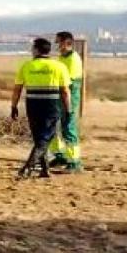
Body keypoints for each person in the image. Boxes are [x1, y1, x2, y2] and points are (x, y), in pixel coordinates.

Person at [11, 37, 71, 179]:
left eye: (33, 48)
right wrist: (68, 110)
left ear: (37, 50)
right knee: (45, 138)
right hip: (51, 105)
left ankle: (44, 170)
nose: (31, 50)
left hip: (32, 104)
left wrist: (13, 106)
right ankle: (28, 167)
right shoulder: (59, 66)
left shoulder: (26, 66)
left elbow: (17, 89)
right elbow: (65, 91)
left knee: (39, 138)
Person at [49, 31, 84, 172]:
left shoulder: (73, 59)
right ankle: (60, 155)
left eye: (59, 42)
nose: (57, 46)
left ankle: (74, 162)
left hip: (68, 95)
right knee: (54, 127)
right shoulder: (62, 58)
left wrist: (67, 105)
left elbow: (68, 84)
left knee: (68, 127)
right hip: (59, 95)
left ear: (66, 42)